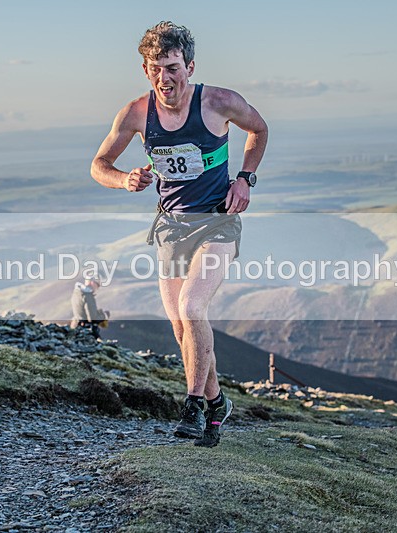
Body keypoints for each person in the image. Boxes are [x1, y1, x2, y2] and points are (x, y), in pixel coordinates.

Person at [90, 21, 268, 447]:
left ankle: (191, 405)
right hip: (171, 226)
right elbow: (99, 164)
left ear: (189, 65)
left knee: (192, 306)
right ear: (145, 69)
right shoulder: (135, 113)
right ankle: (218, 402)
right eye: (155, 69)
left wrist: (245, 178)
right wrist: (124, 179)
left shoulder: (220, 102)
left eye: (172, 68)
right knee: (181, 328)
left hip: (218, 220)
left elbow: (259, 130)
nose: (163, 79)